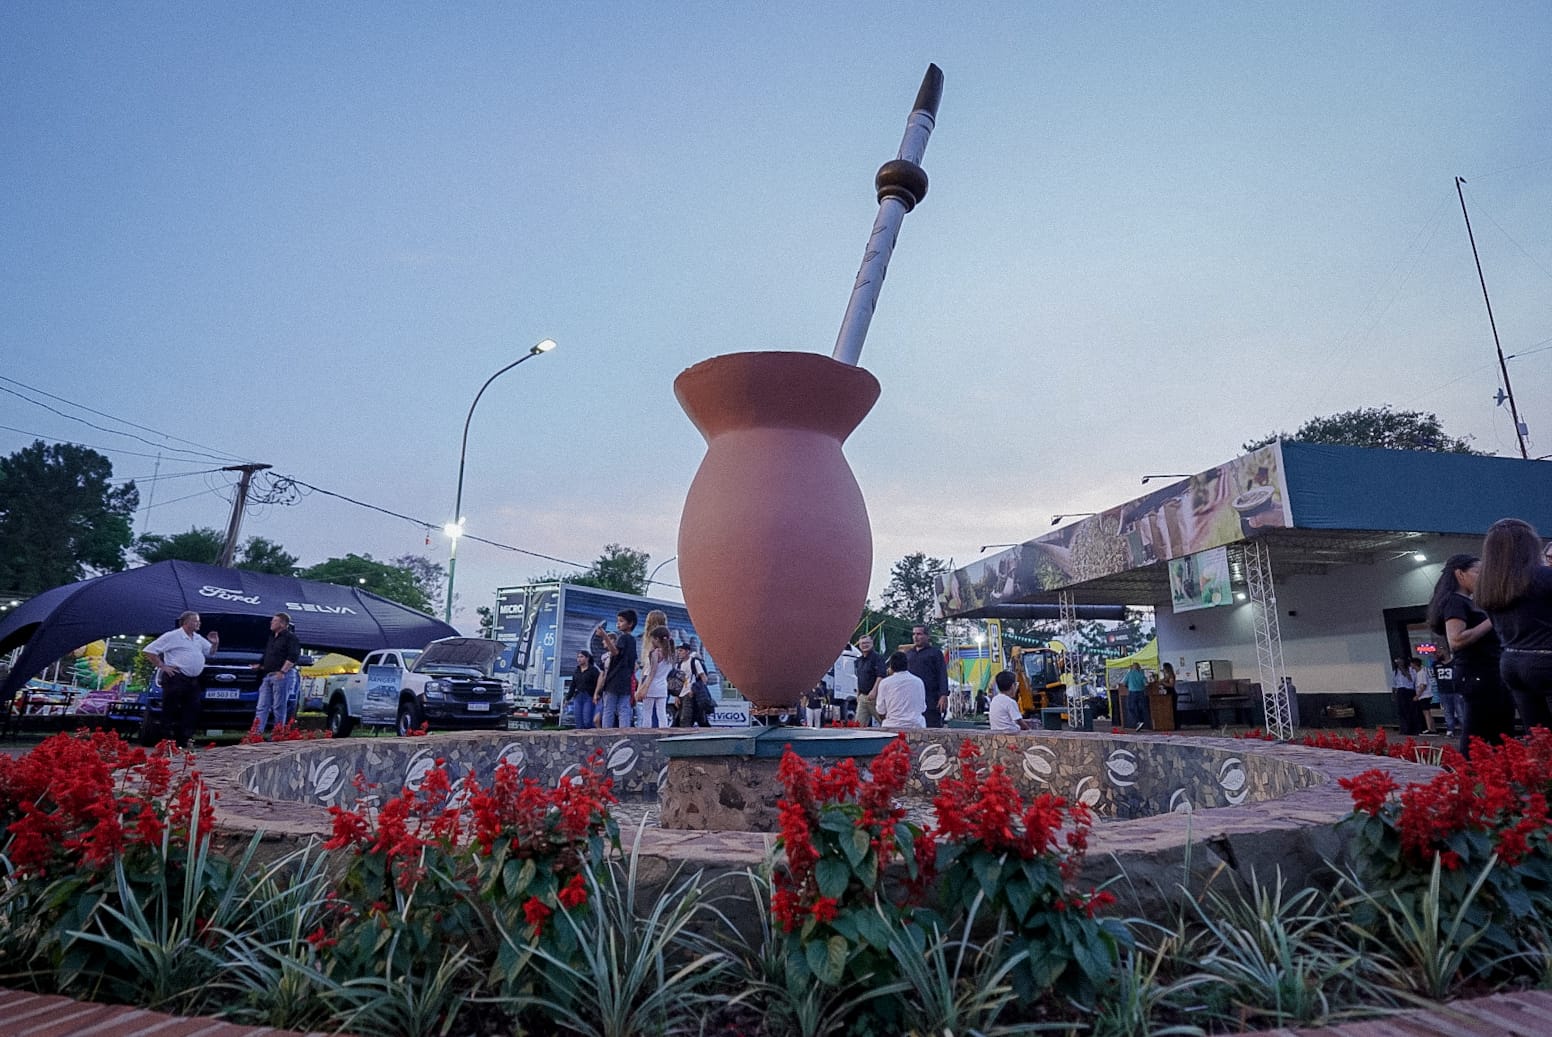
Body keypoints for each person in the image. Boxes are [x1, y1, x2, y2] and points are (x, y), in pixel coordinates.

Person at [1426, 554, 1513, 755]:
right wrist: (1492, 620)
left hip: (1488, 673)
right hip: (1478, 674)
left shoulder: (1467, 602)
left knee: (1498, 731)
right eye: (1477, 572)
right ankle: (1468, 775)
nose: (1483, 578)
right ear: (1460, 574)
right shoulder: (1456, 602)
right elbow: (1456, 640)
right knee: (1477, 733)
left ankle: (1499, 775)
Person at [1477, 518, 1552, 731]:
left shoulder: (1488, 586)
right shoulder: (1544, 577)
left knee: (1538, 739)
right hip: (1546, 660)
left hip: (1511, 663)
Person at [143, 610, 219, 748]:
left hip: (193, 679)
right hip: (176, 677)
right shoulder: (172, 636)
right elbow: (149, 651)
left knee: (192, 709)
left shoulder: (197, 638)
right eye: (195, 621)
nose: (198, 623)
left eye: (199, 621)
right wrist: (163, 666)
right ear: (186, 622)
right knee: (171, 708)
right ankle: (166, 740)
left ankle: (184, 739)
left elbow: (210, 653)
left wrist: (214, 644)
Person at [251, 612, 300, 737]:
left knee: (279, 706)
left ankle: (277, 734)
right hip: (268, 675)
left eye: (274, 621)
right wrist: (260, 665)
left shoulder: (291, 638)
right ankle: (256, 734)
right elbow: (268, 654)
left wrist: (283, 671)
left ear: (283, 624)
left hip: (282, 675)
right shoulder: (272, 637)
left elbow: (293, 656)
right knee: (262, 706)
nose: (271, 623)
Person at [593, 609, 638, 728]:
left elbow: (615, 652)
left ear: (630, 623)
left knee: (609, 709)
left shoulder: (623, 638)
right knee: (624, 709)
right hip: (626, 680)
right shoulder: (632, 640)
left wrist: (604, 636)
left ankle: (606, 733)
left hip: (614, 679)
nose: (618, 623)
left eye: (621, 621)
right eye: (618, 621)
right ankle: (624, 732)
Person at [906, 625, 949, 728]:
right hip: (912, 699)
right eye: (914, 634)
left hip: (931, 699)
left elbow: (942, 674)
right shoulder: (909, 654)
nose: (916, 637)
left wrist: (943, 695)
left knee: (932, 727)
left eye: (919, 634)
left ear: (927, 636)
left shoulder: (935, 653)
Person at [875, 651, 926, 730]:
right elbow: (923, 708)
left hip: (891, 725)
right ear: (907, 665)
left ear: (891, 666)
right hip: (916, 725)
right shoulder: (918, 681)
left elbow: (880, 710)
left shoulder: (885, 683)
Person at [636, 627, 675, 729]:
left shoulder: (655, 653)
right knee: (661, 713)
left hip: (652, 686)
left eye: (652, 639)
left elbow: (652, 672)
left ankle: (646, 735)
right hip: (663, 686)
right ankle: (664, 733)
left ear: (657, 639)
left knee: (647, 712)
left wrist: (644, 688)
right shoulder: (671, 654)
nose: (651, 641)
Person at [673, 642, 712, 727]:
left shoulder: (694, 662)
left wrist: (697, 690)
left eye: (681, 650)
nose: (679, 653)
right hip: (681, 694)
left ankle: (685, 736)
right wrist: (676, 696)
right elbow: (678, 682)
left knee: (685, 718)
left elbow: (703, 677)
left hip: (691, 694)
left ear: (687, 651)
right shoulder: (678, 665)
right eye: (678, 651)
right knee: (683, 718)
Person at [852, 635, 887, 727]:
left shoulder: (878, 658)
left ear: (872, 644)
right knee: (858, 725)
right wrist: (858, 693)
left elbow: (881, 676)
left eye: (867, 643)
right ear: (859, 645)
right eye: (862, 643)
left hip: (875, 697)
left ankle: (895, 740)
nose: (865, 645)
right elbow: (860, 677)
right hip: (863, 697)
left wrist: (874, 691)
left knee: (885, 722)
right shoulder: (859, 660)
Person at [1433, 648, 1464, 739]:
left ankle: (1465, 730)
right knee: (1447, 712)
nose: (1437, 654)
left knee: (1460, 712)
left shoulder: (1455, 663)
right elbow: (1436, 677)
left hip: (1456, 691)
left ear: (1445, 652)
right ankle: (1450, 730)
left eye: (1439, 652)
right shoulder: (1436, 664)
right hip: (1443, 691)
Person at [1390, 658, 1420, 736]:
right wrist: (1393, 694)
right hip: (1400, 691)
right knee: (1402, 711)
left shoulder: (1410, 670)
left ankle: (1413, 729)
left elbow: (1411, 679)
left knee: (1411, 710)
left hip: (1409, 691)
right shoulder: (1395, 672)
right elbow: (1394, 684)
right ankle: (1404, 729)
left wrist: (1403, 669)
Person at [570, 650, 600, 730]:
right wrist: (568, 698)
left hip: (589, 696)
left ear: (587, 658)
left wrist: (597, 694)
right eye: (578, 657)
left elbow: (599, 683)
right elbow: (573, 685)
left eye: (581, 657)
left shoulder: (593, 670)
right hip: (578, 696)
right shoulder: (576, 671)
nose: (579, 659)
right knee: (578, 720)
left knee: (587, 720)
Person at [1411, 657, 1436, 735]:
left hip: (1425, 695)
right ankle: (1432, 728)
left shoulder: (1421, 673)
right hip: (1425, 695)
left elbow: (1423, 685)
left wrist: (1417, 696)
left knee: (1426, 712)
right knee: (1427, 712)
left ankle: (1430, 729)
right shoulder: (1419, 673)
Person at [1124, 662, 1149, 731]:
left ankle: (1138, 721)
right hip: (1141, 693)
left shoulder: (1129, 674)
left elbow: (1124, 683)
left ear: (1132, 667)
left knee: (1131, 708)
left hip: (1132, 692)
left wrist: (1129, 686)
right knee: (1140, 708)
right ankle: (1141, 721)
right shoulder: (1141, 674)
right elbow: (1146, 684)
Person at [1160, 661, 1178, 728]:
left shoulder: (1171, 676)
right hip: (1167, 694)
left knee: (1173, 709)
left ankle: (1175, 725)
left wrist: (1163, 683)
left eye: (1164, 668)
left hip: (1171, 693)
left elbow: (1171, 685)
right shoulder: (1166, 676)